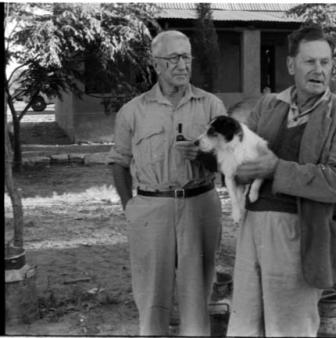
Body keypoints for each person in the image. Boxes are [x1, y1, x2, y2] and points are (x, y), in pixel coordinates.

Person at [227, 24, 336, 337]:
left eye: (325, 62)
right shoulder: (268, 105)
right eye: (309, 61)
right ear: (291, 65)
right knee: (245, 325)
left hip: (300, 231)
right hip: (252, 229)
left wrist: (276, 170)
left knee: (289, 328)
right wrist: (227, 162)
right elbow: (242, 157)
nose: (319, 70)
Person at [108, 30, 226, 336]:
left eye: (186, 57)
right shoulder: (132, 112)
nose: (182, 65)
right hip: (150, 209)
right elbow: (119, 162)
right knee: (151, 294)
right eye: (173, 58)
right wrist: (129, 207)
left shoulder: (211, 106)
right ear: (156, 64)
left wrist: (204, 155)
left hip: (200, 205)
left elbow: (231, 162)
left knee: (198, 294)